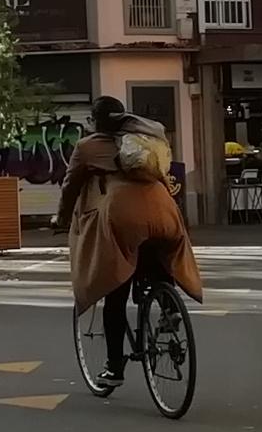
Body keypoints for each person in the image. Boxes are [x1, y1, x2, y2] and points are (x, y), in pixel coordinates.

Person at [53, 95, 207, 380]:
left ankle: (114, 367)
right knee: (155, 252)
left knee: (115, 291)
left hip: (123, 217)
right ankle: (168, 304)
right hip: (165, 210)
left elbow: (70, 187)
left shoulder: (87, 147)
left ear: (96, 121)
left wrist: (61, 219)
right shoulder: (146, 141)